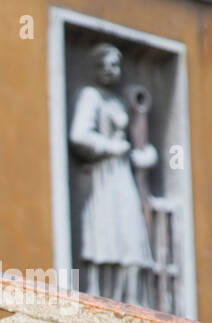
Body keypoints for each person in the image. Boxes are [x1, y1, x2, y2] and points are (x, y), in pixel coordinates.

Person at [69, 42, 157, 304]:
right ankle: (99, 295)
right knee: (104, 234)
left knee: (130, 235)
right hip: (102, 178)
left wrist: (142, 156)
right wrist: (111, 147)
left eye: (115, 65)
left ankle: (131, 300)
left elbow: (130, 145)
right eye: (104, 65)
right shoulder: (90, 96)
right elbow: (79, 135)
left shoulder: (118, 101)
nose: (110, 70)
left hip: (122, 177)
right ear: (94, 68)